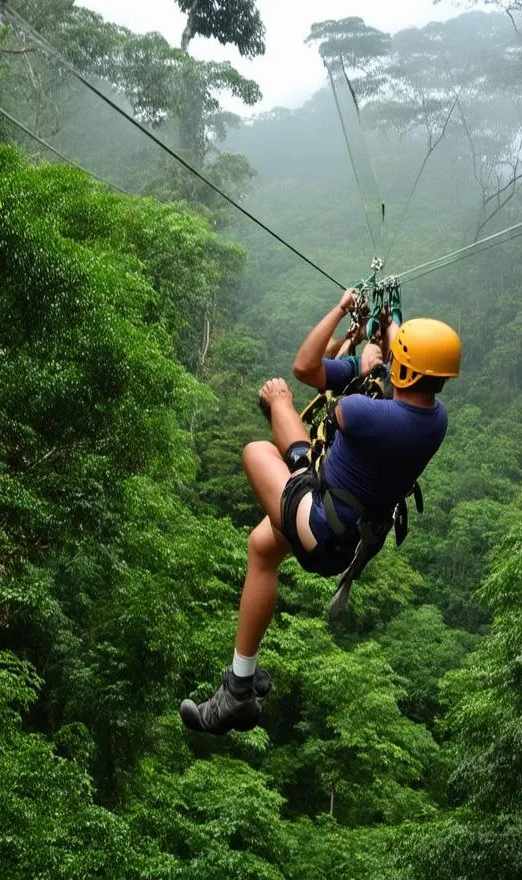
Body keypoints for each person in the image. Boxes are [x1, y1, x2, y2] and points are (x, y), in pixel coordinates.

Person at [179, 290, 461, 735]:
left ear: (401, 368)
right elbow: (397, 377)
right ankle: (240, 684)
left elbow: (344, 406)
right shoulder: (436, 418)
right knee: (262, 549)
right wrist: (388, 333)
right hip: (346, 536)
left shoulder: (366, 414)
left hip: (320, 526)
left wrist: (364, 363)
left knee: (261, 443)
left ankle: (237, 693)